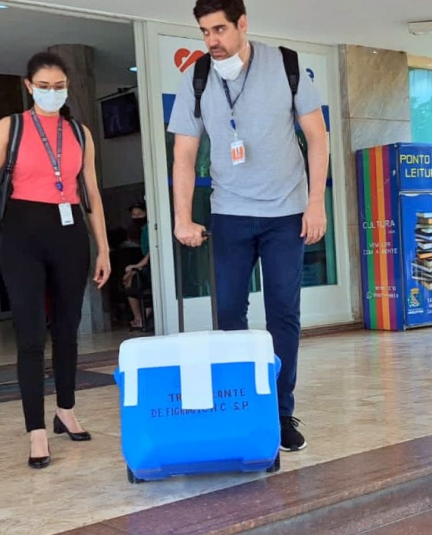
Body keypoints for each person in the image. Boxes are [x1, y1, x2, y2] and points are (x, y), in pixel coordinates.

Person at [0, 51, 111, 469]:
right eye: (45, 87)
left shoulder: (80, 133)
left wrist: (102, 246)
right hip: (22, 233)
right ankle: (35, 428)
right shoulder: (10, 127)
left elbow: (92, 193)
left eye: (60, 87)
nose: (53, 94)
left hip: (69, 234)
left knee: (67, 328)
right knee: (31, 334)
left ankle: (65, 409)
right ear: (29, 86)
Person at [168, 0, 329, 452]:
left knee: (283, 314)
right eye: (204, 32)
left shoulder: (286, 65)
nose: (211, 41)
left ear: (242, 24)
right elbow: (183, 154)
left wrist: (315, 205)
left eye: (219, 29)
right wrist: (182, 217)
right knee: (230, 316)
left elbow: (317, 137)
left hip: (286, 215)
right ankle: (241, 406)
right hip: (230, 214)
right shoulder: (196, 77)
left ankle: (280, 412)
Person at [122, 200, 151, 330]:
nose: (137, 217)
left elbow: (153, 250)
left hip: (152, 269)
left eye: (140, 213)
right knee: (127, 279)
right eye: (134, 214)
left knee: (131, 282)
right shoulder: (139, 230)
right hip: (145, 268)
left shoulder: (149, 228)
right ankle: (140, 318)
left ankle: (140, 318)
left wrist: (138, 266)